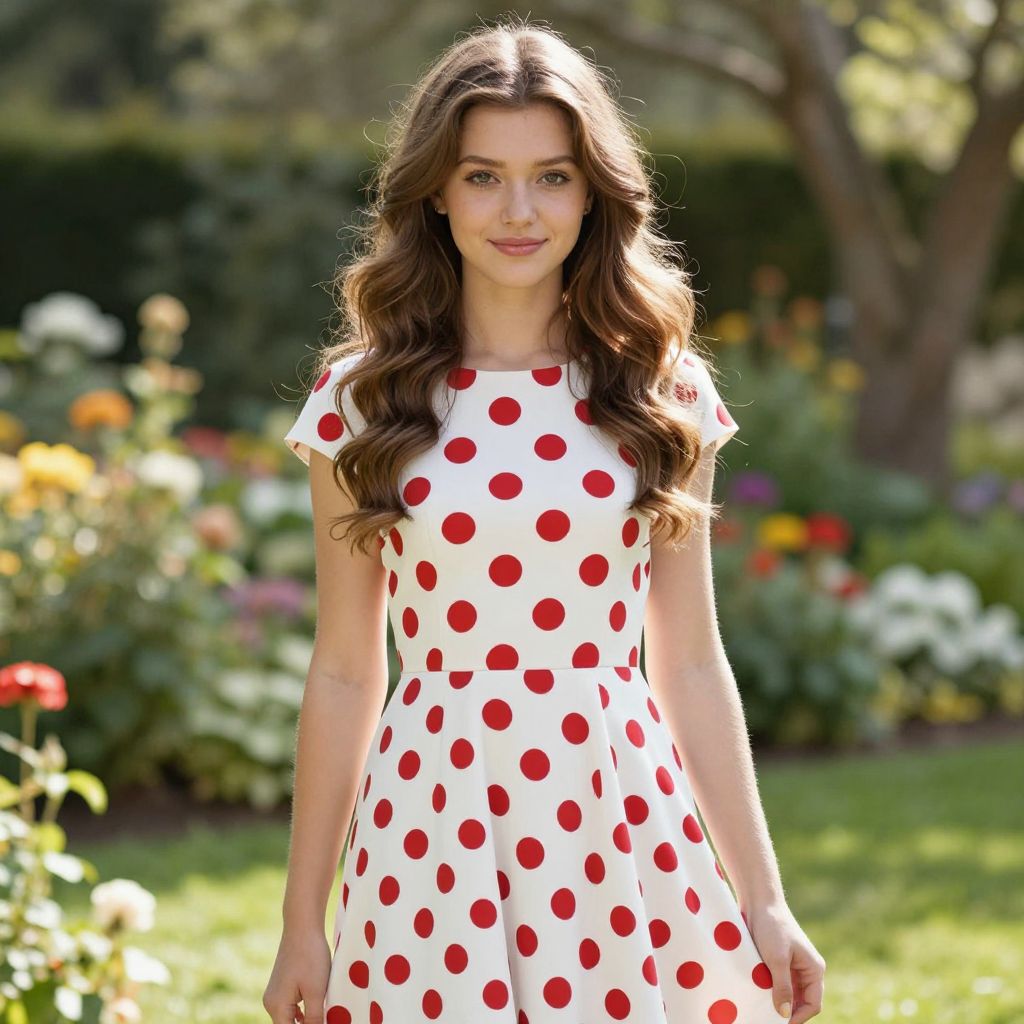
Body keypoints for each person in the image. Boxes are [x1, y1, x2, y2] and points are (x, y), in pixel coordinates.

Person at [264, 17, 825, 1024]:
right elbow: (348, 667)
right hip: (430, 815)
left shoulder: (660, 392)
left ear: (592, 190)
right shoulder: (360, 399)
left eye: (552, 176)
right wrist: (303, 922)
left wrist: (766, 899)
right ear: (434, 189)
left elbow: (690, 659)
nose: (517, 210)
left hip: (618, 808)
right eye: (482, 176)